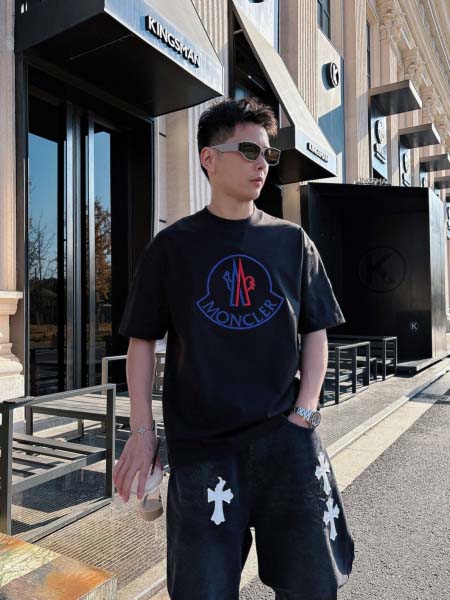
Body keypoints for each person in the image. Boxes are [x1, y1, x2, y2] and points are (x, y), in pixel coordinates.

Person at [113, 97, 355, 600]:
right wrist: (142, 431)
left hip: (286, 440)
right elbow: (142, 340)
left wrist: (306, 412)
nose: (262, 163)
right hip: (202, 449)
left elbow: (315, 330)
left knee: (312, 586)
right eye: (248, 151)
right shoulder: (172, 247)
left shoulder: (292, 242)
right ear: (208, 158)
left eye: (268, 154)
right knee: (202, 591)